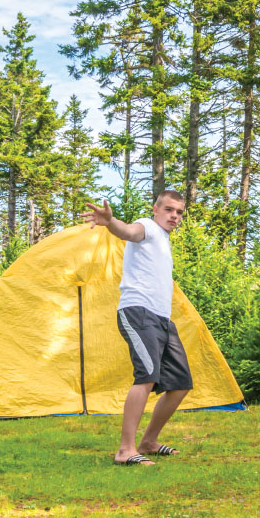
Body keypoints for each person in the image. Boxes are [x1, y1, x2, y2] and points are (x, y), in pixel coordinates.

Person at [84, 190, 192, 466]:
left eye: (179, 212)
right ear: (155, 210)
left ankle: (149, 441)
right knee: (146, 376)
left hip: (161, 319)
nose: (174, 216)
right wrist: (110, 222)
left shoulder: (164, 241)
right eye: (169, 210)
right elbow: (128, 232)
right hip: (138, 312)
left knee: (180, 383)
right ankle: (125, 450)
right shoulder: (148, 227)